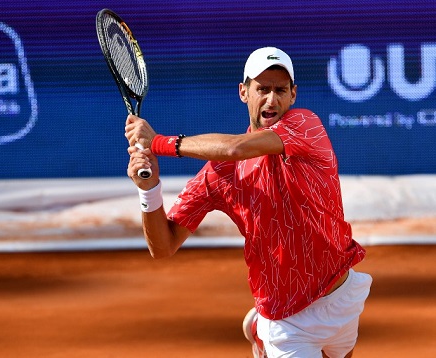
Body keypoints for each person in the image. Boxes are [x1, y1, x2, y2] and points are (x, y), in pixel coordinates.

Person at [124, 47, 372, 358]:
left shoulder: (306, 125)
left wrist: (159, 143)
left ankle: (259, 331)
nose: (272, 99)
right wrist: (149, 190)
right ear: (244, 92)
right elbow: (163, 246)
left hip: (342, 298)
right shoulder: (218, 175)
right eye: (262, 89)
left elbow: (235, 149)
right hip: (287, 320)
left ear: (293, 94)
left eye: (280, 90)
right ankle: (264, 331)